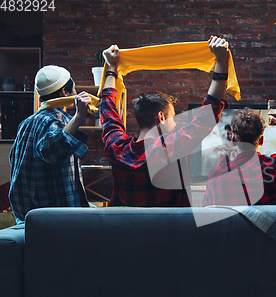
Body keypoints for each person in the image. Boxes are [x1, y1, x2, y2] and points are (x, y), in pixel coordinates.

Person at [99, 36, 230, 207]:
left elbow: (107, 109)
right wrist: (221, 59)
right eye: (173, 118)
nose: (175, 125)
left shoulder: (117, 148)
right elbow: (208, 113)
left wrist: (111, 67)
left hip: (127, 230)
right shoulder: (171, 148)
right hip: (170, 230)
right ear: (161, 118)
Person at [9, 65, 92, 224]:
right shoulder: (56, 120)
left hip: (26, 217)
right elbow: (51, 151)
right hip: (54, 220)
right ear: (64, 92)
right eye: (73, 88)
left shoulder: (26, 123)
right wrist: (79, 116)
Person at [203, 108, 276, 206]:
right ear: (261, 140)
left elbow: (207, 213)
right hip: (273, 234)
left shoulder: (215, 176)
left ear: (234, 141)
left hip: (234, 235)